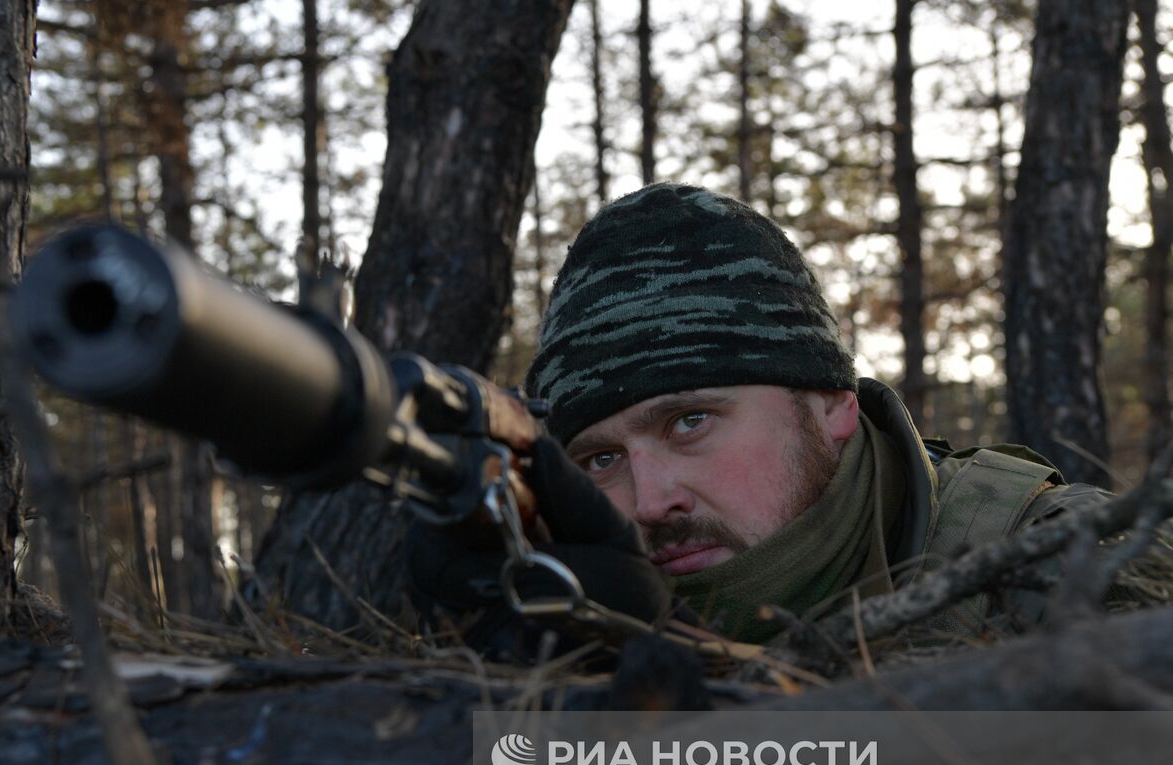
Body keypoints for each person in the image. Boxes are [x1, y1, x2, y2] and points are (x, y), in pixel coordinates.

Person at [409, 182, 1145, 658]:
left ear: (833, 404)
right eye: (601, 458)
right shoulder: (570, 601)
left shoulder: (1073, 560)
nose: (651, 498)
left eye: (689, 421)